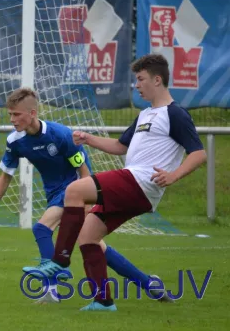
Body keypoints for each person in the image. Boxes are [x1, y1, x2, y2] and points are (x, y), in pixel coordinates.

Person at [32, 54, 207, 311]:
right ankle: (103, 303)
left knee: (74, 190)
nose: (137, 85)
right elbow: (119, 146)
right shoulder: (146, 114)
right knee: (88, 236)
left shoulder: (175, 114)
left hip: (141, 181)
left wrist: (173, 175)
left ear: (157, 80)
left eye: (141, 79)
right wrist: (89, 138)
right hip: (134, 185)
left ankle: (59, 259)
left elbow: (199, 153)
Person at [0, 87, 169, 304]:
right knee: (97, 247)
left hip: (74, 191)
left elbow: (84, 171)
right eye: (10, 114)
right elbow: (5, 177)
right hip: (53, 195)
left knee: (42, 228)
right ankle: (150, 285)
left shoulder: (60, 135)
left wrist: (86, 203)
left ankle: (51, 290)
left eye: (16, 114)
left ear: (32, 113)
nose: (12, 119)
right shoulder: (15, 141)